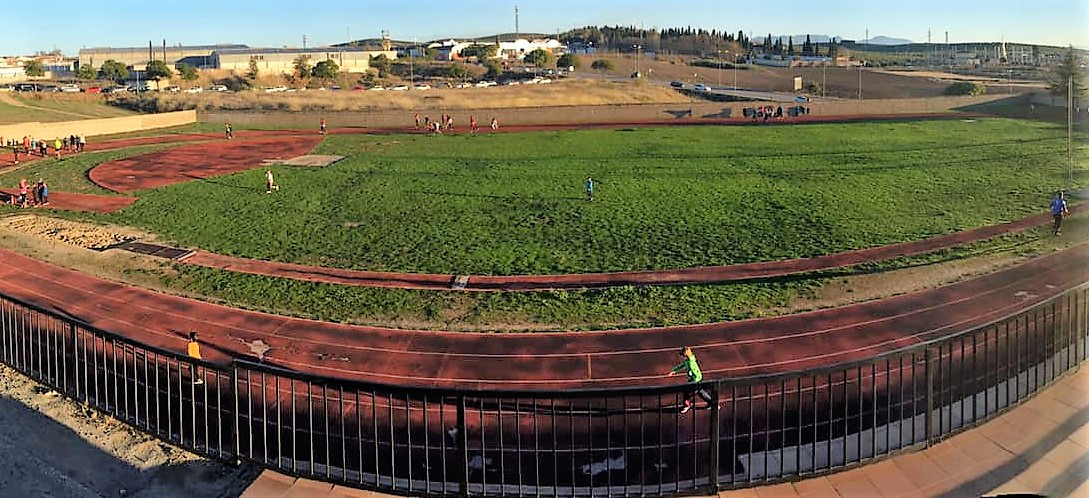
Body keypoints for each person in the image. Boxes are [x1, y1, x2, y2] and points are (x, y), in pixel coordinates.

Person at [668, 346, 715, 413]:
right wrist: (674, 371)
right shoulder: (688, 360)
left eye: (682, 356)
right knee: (701, 392)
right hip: (695, 380)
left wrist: (693, 383)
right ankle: (713, 403)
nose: (681, 358)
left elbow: (696, 374)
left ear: (685, 356)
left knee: (687, 393)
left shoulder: (691, 363)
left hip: (695, 381)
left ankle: (686, 405)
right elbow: (682, 365)